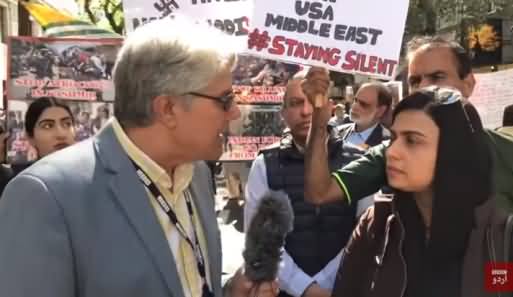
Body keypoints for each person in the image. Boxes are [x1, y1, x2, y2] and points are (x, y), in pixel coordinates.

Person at [0, 18, 278, 297]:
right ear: (167, 108)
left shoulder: (197, 173)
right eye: (225, 99)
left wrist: (230, 292)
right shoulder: (46, 195)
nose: (235, 114)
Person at [332, 86, 510, 297]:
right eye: (394, 137)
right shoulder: (376, 225)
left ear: (452, 150)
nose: (393, 151)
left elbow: (501, 288)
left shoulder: (500, 236)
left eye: (412, 140)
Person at [303, 35, 513, 212]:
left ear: (468, 84)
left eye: (437, 77)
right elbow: (320, 193)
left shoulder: (505, 151)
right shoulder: (392, 153)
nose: (423, 88)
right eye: (415, 81)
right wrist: (319, 122)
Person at [245, 72, 364, 297]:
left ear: (330, 107)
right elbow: (260, 240)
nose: (306, 111)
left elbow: (367, 236)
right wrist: (305, 289)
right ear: (283, 113)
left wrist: (330, 283)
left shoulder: (358, 162)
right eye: (296, 103)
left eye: (312, 101)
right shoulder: (265, 165)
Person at [0, 97, 76, 194]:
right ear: (30, 137)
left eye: (67, 124)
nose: (61, 134)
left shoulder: (95, 176)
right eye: (48, 126)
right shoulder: (16, 184)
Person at [336, 82, 392, 150]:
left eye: (363, 104)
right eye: (355, 100)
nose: (354, 106)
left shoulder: (388, 142)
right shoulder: (337, 132)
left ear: (380, 111)